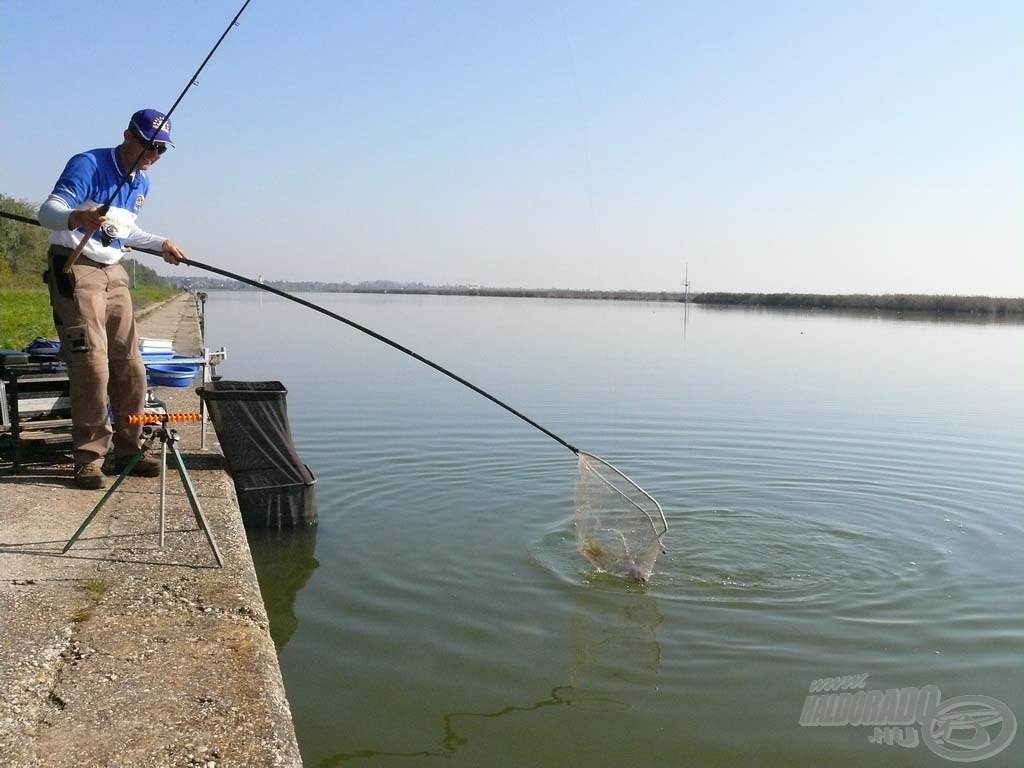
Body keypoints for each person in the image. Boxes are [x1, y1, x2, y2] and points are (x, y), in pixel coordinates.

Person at [37, 109, 185, 489]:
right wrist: (76, 218)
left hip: (114, 271)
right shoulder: (88, 163)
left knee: (132, 366)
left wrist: (161, 244)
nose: (153, 155)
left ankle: (129, 449)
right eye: (148, 146)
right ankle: (88, 458)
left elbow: (126, 232)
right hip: (76, 266)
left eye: (161, 150)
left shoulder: (142, 183)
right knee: (93, 364)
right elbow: (47, 212)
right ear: (127, 135)